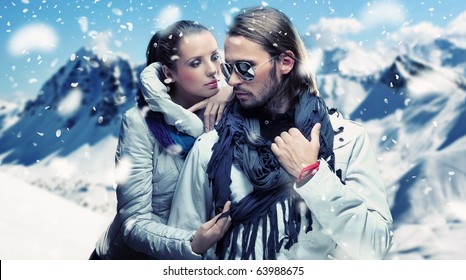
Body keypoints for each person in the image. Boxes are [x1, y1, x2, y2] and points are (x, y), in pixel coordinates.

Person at [167, 6, 393, 260]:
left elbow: (375, 247)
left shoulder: (347, 141)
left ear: (285, 62)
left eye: (245, 67)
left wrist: (313, 176)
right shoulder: (211, 147)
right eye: (229, 69)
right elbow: (179, 251)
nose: (232, 82)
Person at [90, 20, 232, 260]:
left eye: (215, 56)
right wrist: (191, 243)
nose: (212, 70)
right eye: (196, 62)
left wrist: (232, 91)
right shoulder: (140, 123)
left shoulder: (231, 109)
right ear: (169, 73)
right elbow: (133, 224)